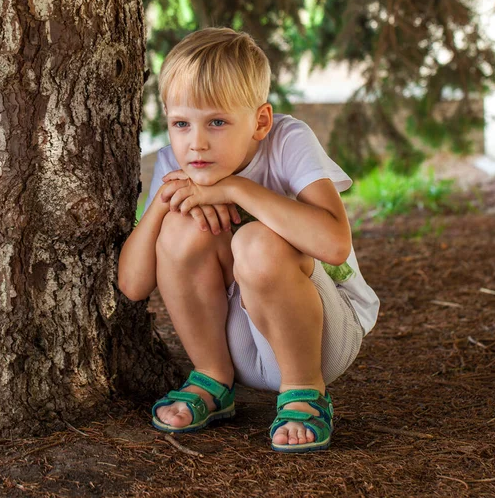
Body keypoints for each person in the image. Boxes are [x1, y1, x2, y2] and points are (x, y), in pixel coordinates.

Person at [118, 27, 379, 453]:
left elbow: (333, 244)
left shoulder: (287, 141)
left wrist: (237, 190)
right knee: (182, 225)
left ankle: (305, 394)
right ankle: (212, 382)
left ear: (260, 121)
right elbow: (132, 285)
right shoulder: (174, 161)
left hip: (323, 338)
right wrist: (162, 205)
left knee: (257, 241)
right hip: (236, 344)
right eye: (181, 123)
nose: (196, 142)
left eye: (217, 122)